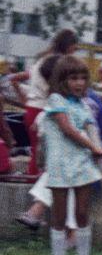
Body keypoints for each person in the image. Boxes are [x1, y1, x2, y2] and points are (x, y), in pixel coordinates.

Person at [38, 56, 102, 255]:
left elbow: (88, 128)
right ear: (62, 80)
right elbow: (67, 129)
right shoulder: (56, 99)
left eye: (82, 78)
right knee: (58, 217)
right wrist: (93, 147)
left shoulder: (83, 105)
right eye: (73, 78)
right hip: (59, 166)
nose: (79, 83)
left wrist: (96, 147)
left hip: (82, 165)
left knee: (81, 214)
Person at [21, 30, 80, 179]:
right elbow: (56, 89)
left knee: (37, 150)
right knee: (45, 151)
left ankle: (34, 180)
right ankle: (38, 184)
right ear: (68, 46)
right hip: (43, 108)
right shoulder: (56, 62)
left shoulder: (42, 59)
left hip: (32, 107)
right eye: (74, 46)